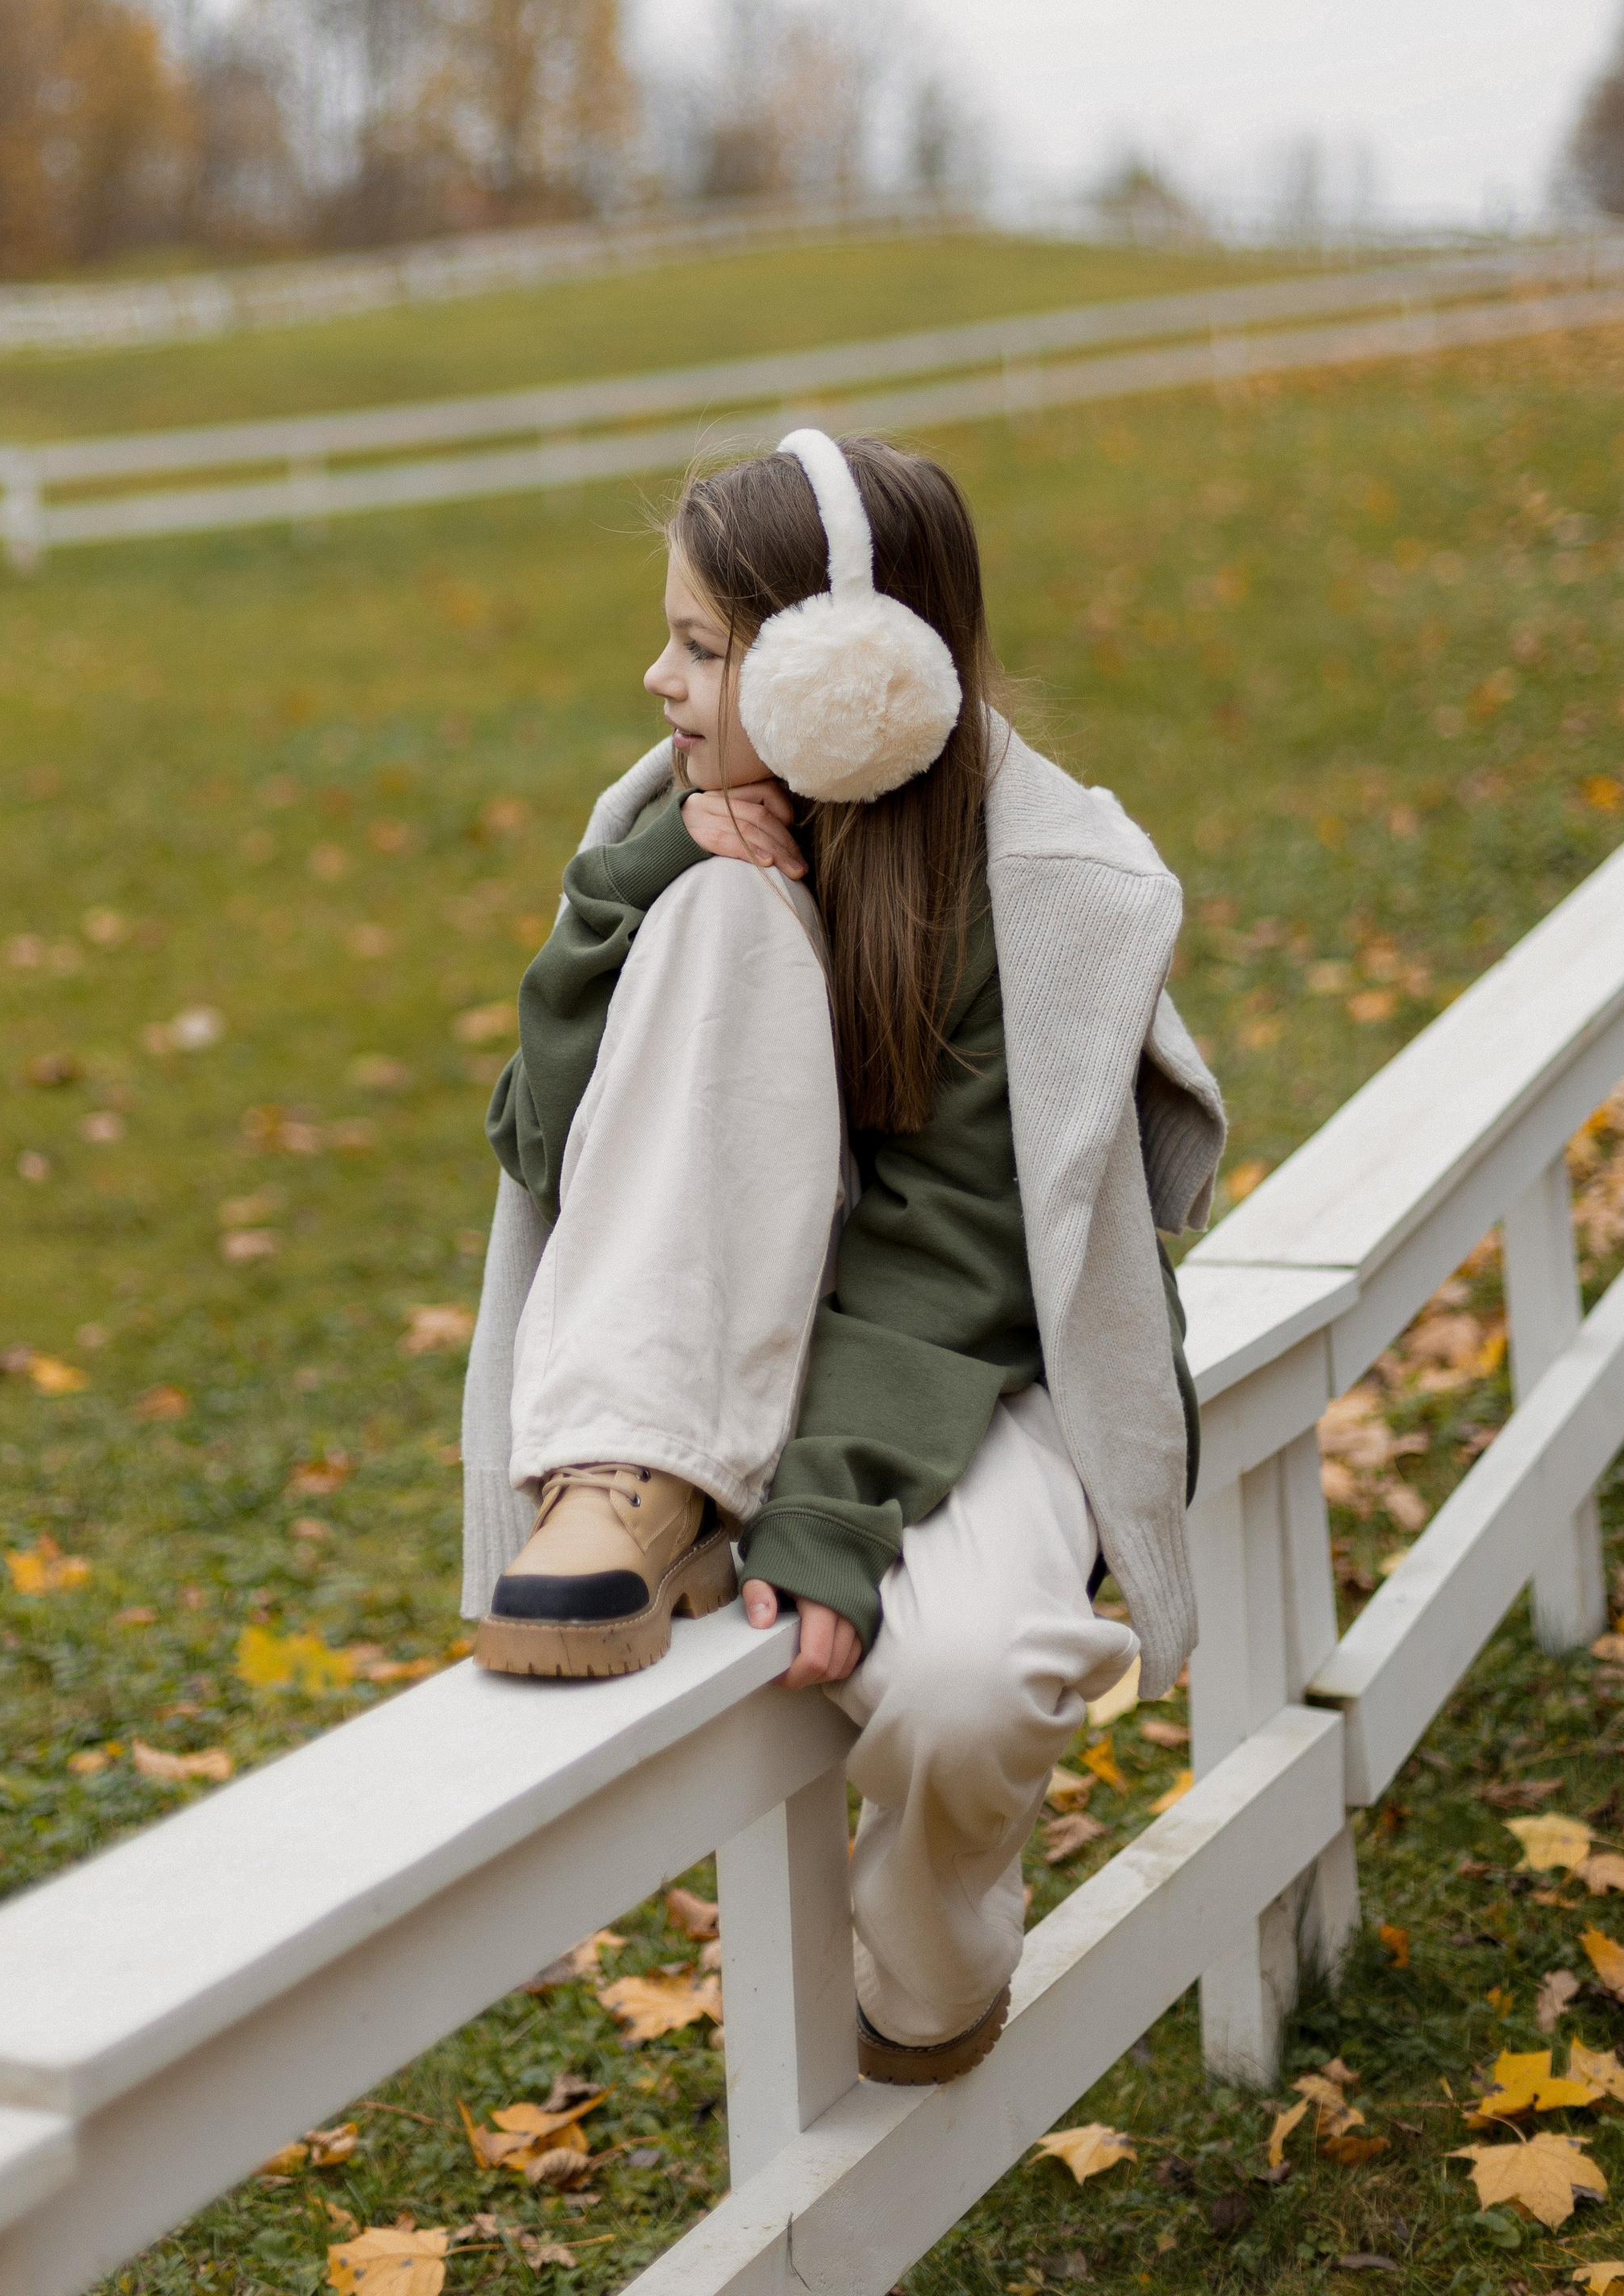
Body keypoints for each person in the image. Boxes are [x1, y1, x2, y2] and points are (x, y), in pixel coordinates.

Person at [461, 431, 1224, 2084]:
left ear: (846, 666)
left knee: (967, 1684)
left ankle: (936, 1966)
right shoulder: (670, 830)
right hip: (709, 1365)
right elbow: (542, 1143)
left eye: (701, 647)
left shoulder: (1035, 884)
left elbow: (957, 1261)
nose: (653, 677)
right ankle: (624, 1475)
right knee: (724, 922)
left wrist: (824, 1513)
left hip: (975, 1370)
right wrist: (652, 881)